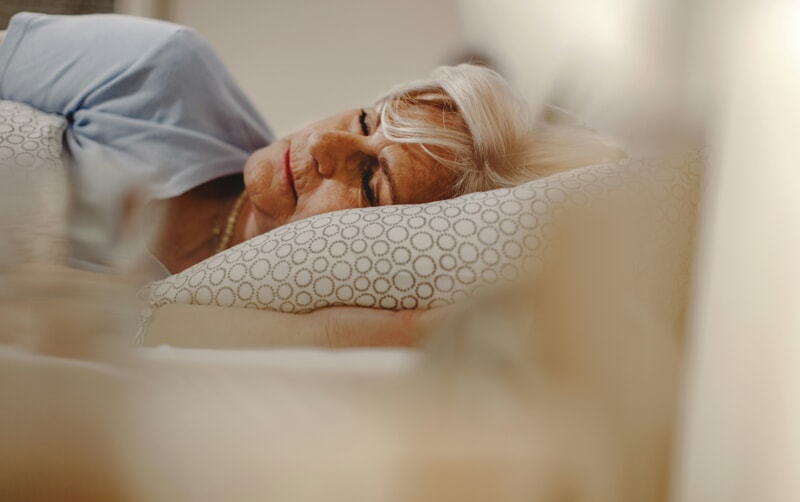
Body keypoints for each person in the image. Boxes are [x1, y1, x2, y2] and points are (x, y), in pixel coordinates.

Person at [0, 12, 620, 347]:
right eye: (364, 120)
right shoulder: (164, 73)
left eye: (373, 179)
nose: (323, 144)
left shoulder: (255, 315)